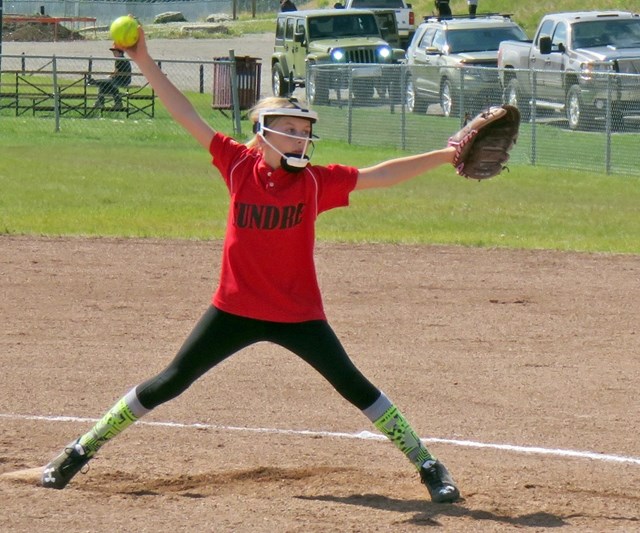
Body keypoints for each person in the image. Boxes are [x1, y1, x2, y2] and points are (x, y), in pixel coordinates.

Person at [40, 26, 461, 504]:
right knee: (169, 382)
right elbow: (184, 112)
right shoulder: (237, 165)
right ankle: (79, 450)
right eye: (292, 130)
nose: (302, 139)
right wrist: (143, 60)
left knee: (353, 384)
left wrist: (446, 155)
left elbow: (380, 174)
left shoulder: (315, 184)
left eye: (305, 132)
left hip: (298, 313)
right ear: (263, 134)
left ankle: (429, 465)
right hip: (234, 309)